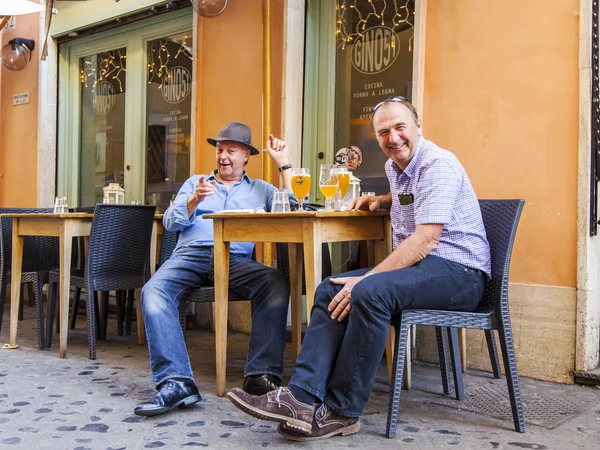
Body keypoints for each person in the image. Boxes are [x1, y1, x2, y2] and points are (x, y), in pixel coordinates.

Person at [226, 97, 491, 441]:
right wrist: (383, 199)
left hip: (461, 274)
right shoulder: (396, 169)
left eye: (400, 128)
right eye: (384, 132)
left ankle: (342, 411)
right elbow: (413, 197)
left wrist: (367, 277)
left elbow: (426, 239)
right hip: (425, 269)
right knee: (330, 287)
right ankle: (302, 399)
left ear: (418, 127)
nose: (393, 138)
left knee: (369, 290)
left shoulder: (438, 163)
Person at [134, 121, 295, 417]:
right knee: (153, 290)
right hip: (190, 256)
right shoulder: (196, 182)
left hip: (235, 261)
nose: (223, 156)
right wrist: (195, 199)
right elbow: (171, 222)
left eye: (231, 150)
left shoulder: (261, 190)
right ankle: (176, 382)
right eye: (220, 149)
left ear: (246, 155)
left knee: (275, 282)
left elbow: (294, 209)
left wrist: (283, 163)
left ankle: (261, 377)